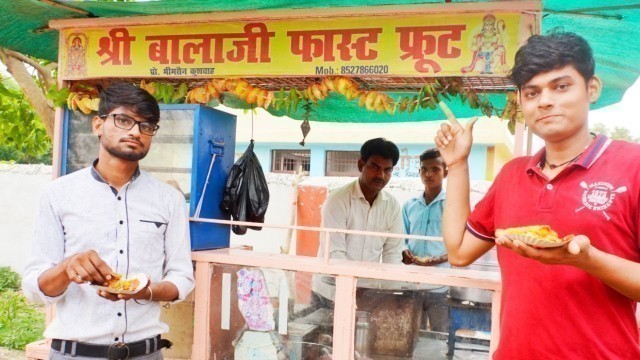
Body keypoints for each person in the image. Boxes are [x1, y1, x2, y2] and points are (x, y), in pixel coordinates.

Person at [435, 31, 640, 359]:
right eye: (532, 92)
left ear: (592, 89)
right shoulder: (512, 175)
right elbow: (458, 252)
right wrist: (457, 164)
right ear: (521, 102)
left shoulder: (633, 165)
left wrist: (587, 259)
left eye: (561, 86)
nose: (545, 101)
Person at [23, 83, 195, 360]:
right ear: (97, 125)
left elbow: (182, 279)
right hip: (76, 353)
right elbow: (35, 288)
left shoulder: (169, 199)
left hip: (146, 353)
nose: (136, 132)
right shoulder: (58, 194)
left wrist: (145, 290)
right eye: (124, 120)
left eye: (147, 125)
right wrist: (67, 268)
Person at [312, 138, 405, 307]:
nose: (381, 175)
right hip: (329, 293)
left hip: (368, 294)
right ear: (361, 165)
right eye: (374, 167)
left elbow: (393, 254)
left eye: (387, 170)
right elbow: (335, 253)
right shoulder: (338, 200)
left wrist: (390, 294)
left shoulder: (392, 206)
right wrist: (352, 288)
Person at [402, 148, 449, 332]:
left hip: (440, 284)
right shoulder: (410, 205)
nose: (428, 174)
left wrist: (440, 259)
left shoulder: (451, 205)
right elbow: (402, 238)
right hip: (412, 282)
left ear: (445, 172)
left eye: (435, 169)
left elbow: (458, 244)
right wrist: (405, 251)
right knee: (411, 332)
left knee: (439, 334)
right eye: (424, 169)